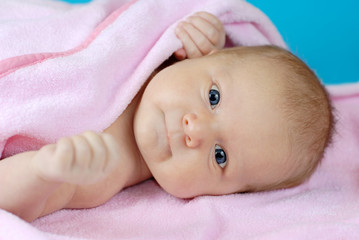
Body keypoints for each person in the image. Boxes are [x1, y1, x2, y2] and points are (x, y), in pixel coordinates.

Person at [0, 12, 334, 222]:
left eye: (220, 156)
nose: (196, 131)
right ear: (209, 57)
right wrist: (199, 27)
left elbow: (9, 202)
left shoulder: (104, 167)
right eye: (213, 97)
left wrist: (42, 172)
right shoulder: (167, 55)